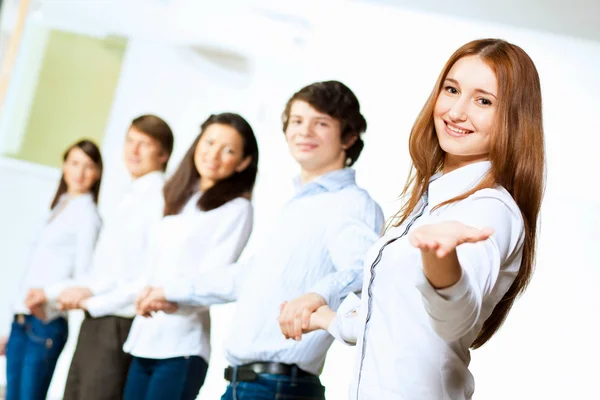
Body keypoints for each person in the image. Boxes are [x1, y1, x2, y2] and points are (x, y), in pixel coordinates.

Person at [302, 39, 546, 399]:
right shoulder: (429, 200)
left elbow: (456, 317)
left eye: (483, 101)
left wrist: (441, 263)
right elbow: (395, 322)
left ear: (513, 117)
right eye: (451, 90)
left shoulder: (491, 208)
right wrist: (325, 317)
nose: (456, 111)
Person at [138, 81, 384, 399]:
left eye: (320, 123)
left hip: (276, 388)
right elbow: (248, 276)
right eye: (296, 121)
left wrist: (317, 294)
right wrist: (170, 291)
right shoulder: (301, 203)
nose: (304, 131)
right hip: (251, 385)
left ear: (349, 137)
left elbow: (363, 271)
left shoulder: (350, 202)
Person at [109, 113, 257, 400]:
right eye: (209, 142)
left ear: (243, 162)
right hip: (144, 339)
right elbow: (151, 265)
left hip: (182, 348)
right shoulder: (178, 197)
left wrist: (166, 296)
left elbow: (215, 279)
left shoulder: (237, 208)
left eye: (228, 150)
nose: (213, 154)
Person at [59, 115, 174, 400]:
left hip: (117, 322)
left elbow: (147, 273)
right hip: (97, 317)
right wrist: (90, 292)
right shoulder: (131, 195)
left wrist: (93, 299)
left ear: (163, 155)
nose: (133, 151)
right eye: (130, 141)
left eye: (144, 144)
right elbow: (114, 266)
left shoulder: (159, 197)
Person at [2, 140, 103, 400]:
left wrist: (47, 298)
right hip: (22, 318)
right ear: (64, 165)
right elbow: (35, 267)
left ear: (98, 173)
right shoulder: (59, 205)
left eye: (89, 166)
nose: (80, 173)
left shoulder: (88, 216)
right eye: (75, 163)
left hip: (46, 322)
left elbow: (84, 278)